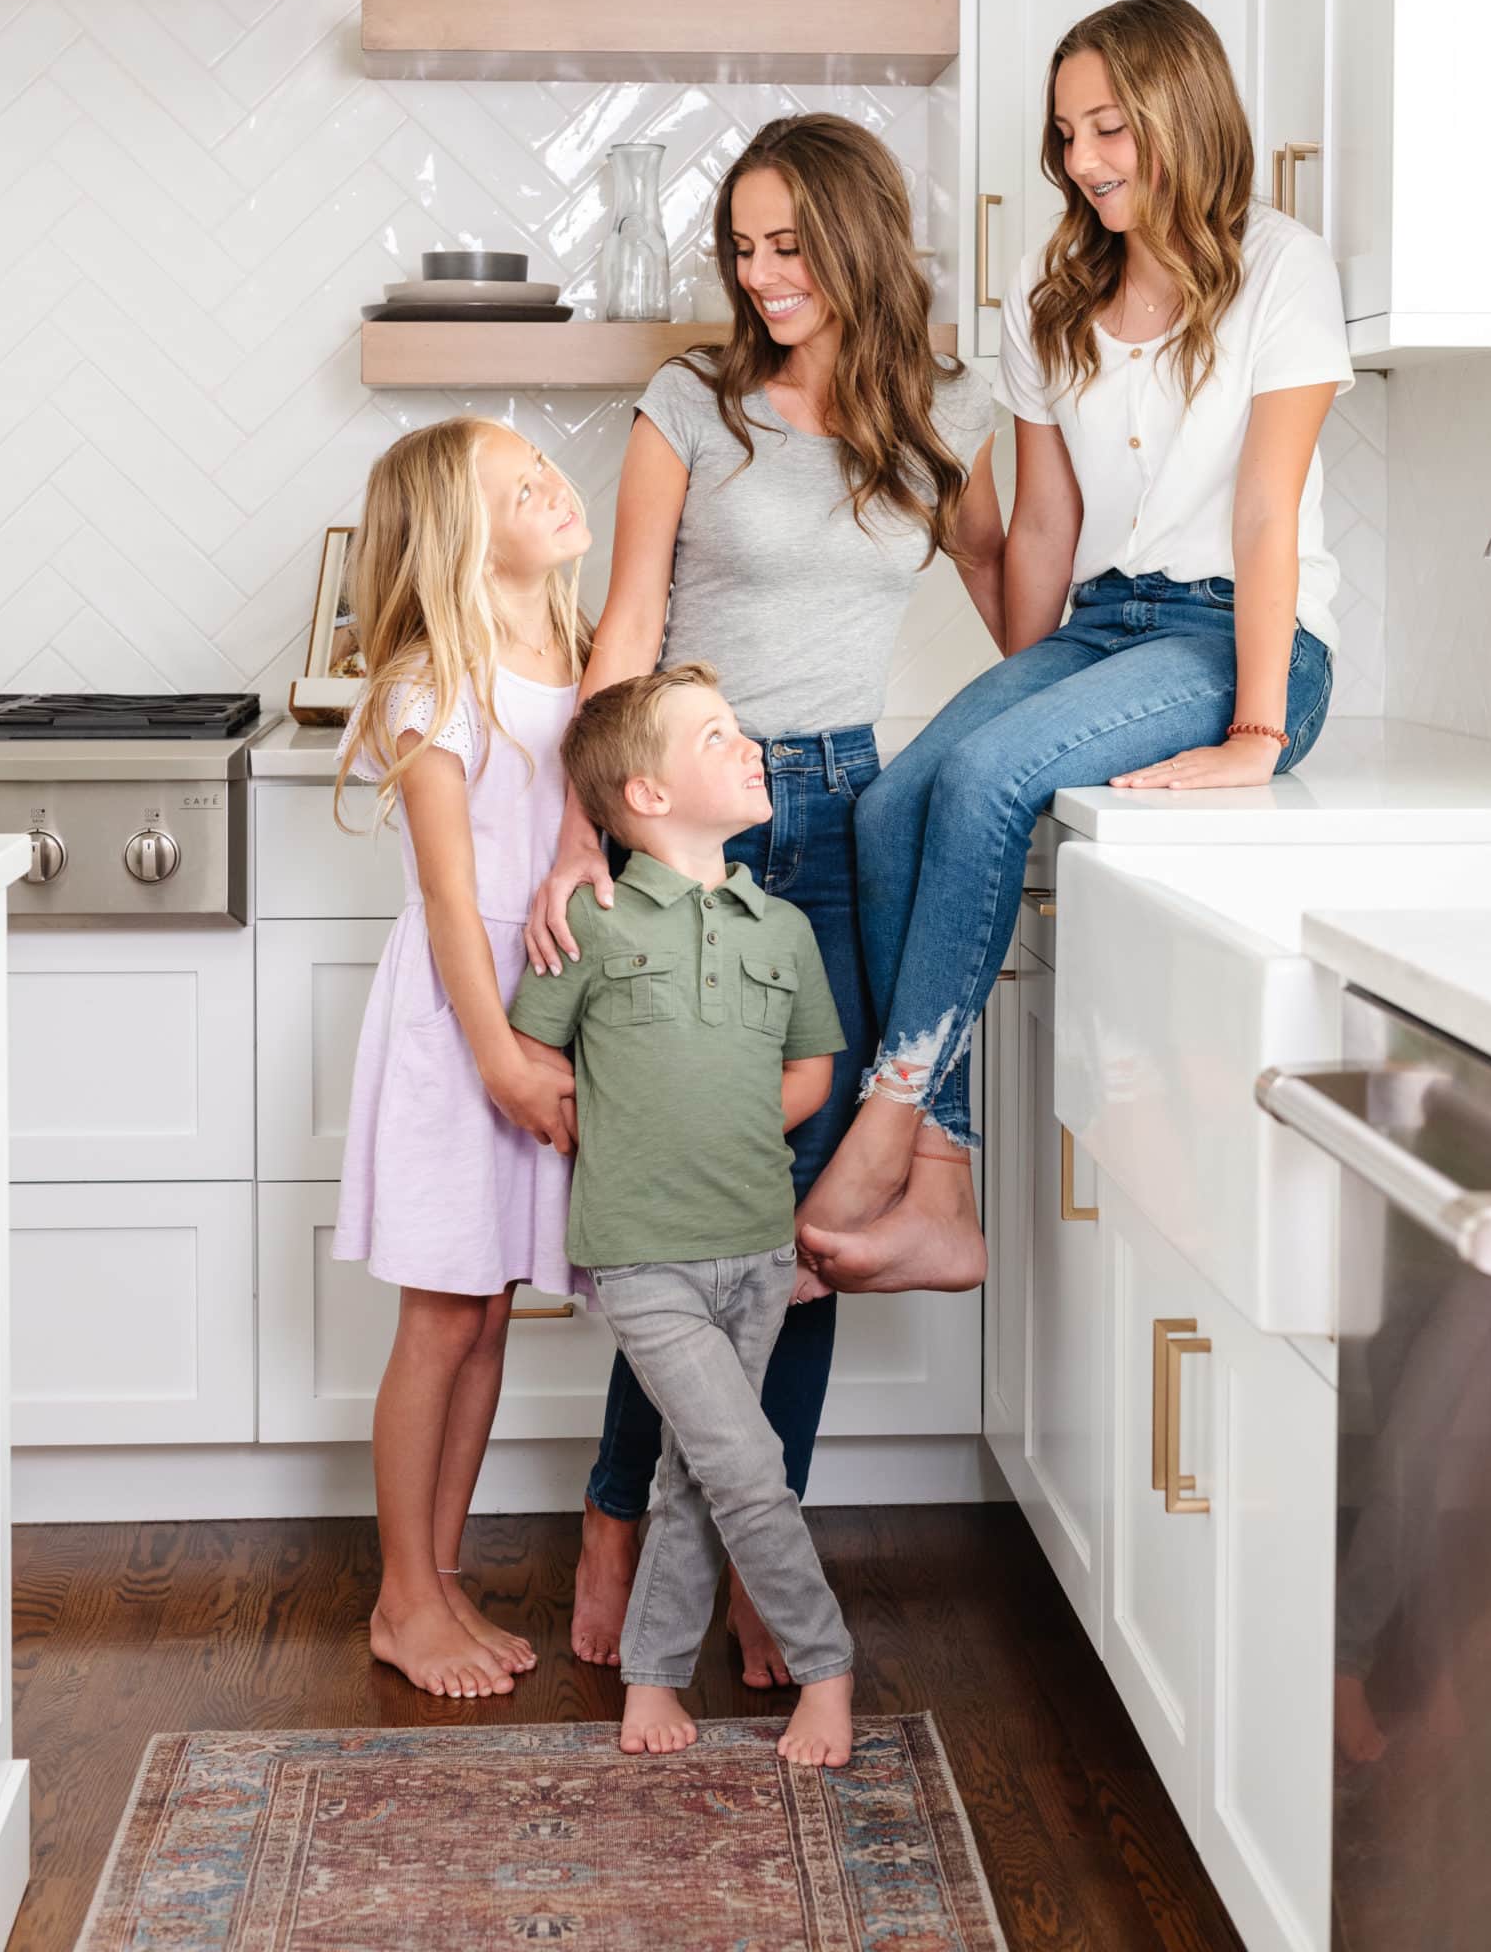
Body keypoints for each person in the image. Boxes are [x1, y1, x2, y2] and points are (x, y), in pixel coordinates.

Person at [523, 113, 1002, 1676]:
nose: (759, 271)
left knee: (798, 1226)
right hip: (688, 818)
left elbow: (1021, 611)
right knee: (682, 1214)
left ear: (858, 236)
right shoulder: (691, 401)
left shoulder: (940, 415)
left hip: (850, 824)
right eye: (741, 244)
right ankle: (617, 1523)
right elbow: (630, 615)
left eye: (787, 241)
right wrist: (582, 825)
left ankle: (746, 1549)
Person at [797, 0, 1350, 1295]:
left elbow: (1266, 510)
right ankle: (942, 1183)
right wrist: (1013, 685)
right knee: (893, 806)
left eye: (1110, 126)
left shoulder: (1280, 263)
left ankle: (887, 1127)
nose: (1086, 158)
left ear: (1181, 111)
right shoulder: (1052, 299)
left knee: (989, 783)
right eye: (1067, 134)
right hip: (1102, 635)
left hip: (1237, 644)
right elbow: (1040, 528)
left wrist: (1257, 734)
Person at [511, 664, 855, 1767]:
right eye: (717, 736)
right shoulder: (594, 921)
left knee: (695, 1472)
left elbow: (811, 1067)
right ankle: (828, 1667)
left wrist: (730, 1122)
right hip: (642, 1257)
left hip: (757, 1247)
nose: (749, 744)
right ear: (647, 795)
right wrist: (602, 1124)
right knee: (747, 1467)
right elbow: (531, 1052)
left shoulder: (782, 928)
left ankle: (656, 1678)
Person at [332, 418, 590, 1700]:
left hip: (531, 1009)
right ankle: (401, 1596)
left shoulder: (582, 653)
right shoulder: (440, 679)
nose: (554, 484)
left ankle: (432, 1580)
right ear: (456, 539)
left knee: (489, 1306)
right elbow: (449, 900)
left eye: (545, 465)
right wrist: (496, 1051)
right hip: (459, 1017)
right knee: (441, 1311)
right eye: (518, 485)